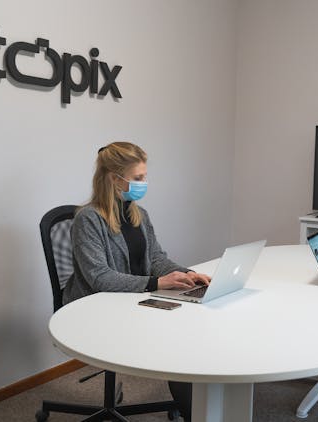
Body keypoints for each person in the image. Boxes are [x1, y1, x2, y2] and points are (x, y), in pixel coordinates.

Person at [62, 141, 210, 419]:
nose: (145, 183)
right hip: (95, 306)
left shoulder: (138, 214)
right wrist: (157, 284)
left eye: (145, 176)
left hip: (133, 298)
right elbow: (99, 278)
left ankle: (196, 409)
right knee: (179, 337)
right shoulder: (88, 219)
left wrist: (190, 274)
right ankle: (192, 409)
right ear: (114, 179)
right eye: (138, 178)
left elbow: (157, 259)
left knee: (190, 326)